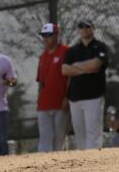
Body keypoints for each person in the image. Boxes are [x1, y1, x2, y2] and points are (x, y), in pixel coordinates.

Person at [61, 19, 109, 150]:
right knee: (80, 135)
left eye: (87, 26)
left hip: (94, 96)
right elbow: (65, 70)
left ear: (93, 28)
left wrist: (75, 66)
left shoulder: (100, 46)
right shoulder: (72, 50)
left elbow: (95, 65)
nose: (84, 29)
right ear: (78, 30)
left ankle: (94, 164)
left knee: (93, 134)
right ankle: (84, 164)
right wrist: (85, 68)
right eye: (81, 27)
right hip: (75, 98)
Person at [36, 23, 69, 152]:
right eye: (44, 36)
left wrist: (67, 97)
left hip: (60, 103)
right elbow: (40, 81)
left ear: (56, 35)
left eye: (49, 35)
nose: (45, 38)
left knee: (59, 139)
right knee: (44, 138)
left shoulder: (65, 51)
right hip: (43, 104)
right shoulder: (43, 56)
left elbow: (70, 78)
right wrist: (39, 100)